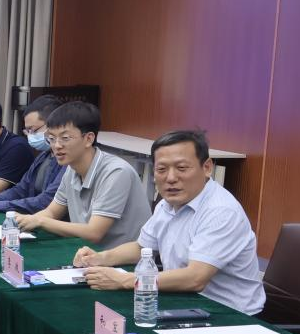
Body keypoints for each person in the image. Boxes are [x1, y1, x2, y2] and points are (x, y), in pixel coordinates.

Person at [75, 130, 265, 315]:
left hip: (230, 315)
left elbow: (195, 278)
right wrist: (100, 258)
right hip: (185, 303)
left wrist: (124, 280)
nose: (171, 178)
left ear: (207, 167)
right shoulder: (167, 204)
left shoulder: (221, 211)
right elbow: (141, 248)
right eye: (162, 169)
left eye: (182, 168)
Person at [14, 101, 151, 249]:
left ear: (89, 139)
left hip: (122, 259)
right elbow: (52, 212)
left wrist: (40, 221)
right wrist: (26, 221)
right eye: (52, 138)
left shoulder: (116, 172)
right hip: (88, 254)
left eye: (65, 138)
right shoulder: (71, 169)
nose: (57, 146)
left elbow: (94, 233)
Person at [0, 95, 65, 214]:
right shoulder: (43, 156)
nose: (30, 135)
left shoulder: (67, 161)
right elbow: (21, 190)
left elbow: (45, 201)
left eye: (33, 130)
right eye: (27, 131)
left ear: (54, 125)